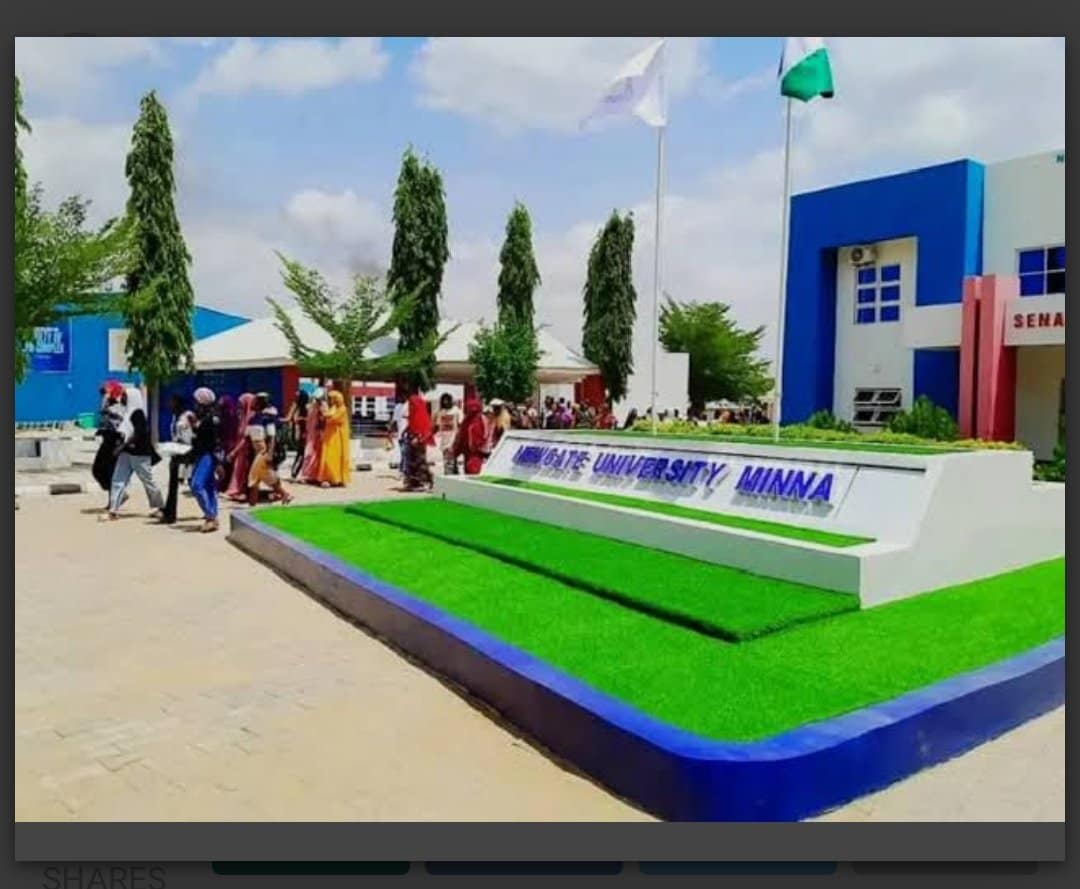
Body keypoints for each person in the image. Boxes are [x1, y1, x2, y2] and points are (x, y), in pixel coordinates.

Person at [102, 387, 164, 522]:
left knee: (148, 481)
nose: (122, 398)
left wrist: (122, 446)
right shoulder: (127, 413)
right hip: (126, 453)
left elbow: (139, 433)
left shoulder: (138, 413)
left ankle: (159, 507)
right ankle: (113, 510)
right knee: (118, 480)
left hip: (139, 453)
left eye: (125, 396)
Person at [245, 393, 292, 506]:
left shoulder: (266, 419)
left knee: (253, 477)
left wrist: (270, 454)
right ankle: (285, 494)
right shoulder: (252, 419)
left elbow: (271, 437)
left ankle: (252, 504)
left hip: (263, 452)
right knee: (264, 476)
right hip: (256, 451)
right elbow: (247, 437)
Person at [188, 387, 222, 532]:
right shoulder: (203, 417)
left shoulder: (212, 418)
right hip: (201, 454)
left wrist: (218, 462)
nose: (195, 405)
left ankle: (210, 516)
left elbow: (215, 441)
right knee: (208, 486)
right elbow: (199, 433)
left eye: (197, 402)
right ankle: (212, 516)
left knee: (197, 484)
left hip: (208, 455)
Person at [91, 381, 126, 505]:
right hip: (107, 441)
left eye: (105, 393)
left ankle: (115, 500)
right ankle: (117, 495)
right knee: (97, 469)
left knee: (110, 471)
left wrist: (107, 402)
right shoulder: (107, 407)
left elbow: (117, 426)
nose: (103, 396)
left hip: (114, 443)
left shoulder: (118, 408)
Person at [317, 390, 351, 488]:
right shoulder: (333, 408)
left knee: (337, 457)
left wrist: (324, 413)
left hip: (337, 438)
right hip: (330, 437)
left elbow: (334, 419)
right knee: (328, 457)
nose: (330, 401)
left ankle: (338, 478)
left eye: (332, 399)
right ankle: (327, 478)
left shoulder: (342, 409)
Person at [402, 389, 435, 491]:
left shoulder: (421, 415)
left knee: (419, 462)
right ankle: (414, 483)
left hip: (419, 441)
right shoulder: (414, 414)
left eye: (411, 404)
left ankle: (425, 481)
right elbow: (411, 424)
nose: (410, 406)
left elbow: (424, 429)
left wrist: (418, 438)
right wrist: (406, 431)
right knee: (411, 461)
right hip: (412, 438)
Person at [225, 393, 255, 501]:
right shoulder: (243, 417)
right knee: (239, 471)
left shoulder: (251, 418)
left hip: (247, 451)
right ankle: (237, 490)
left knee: (245, 472)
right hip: (240, 452)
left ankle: (243, 493)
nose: (239, 406)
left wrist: (234, 452)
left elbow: (246, 439)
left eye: (241, 404)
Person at [452, 398, 488, 476]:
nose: (472, 411)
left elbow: (486, 434)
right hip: (467, 452)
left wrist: (483, 447)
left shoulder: (482, 419)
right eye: (471, 409)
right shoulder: (466, 420)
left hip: (477, 452)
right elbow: (461, 436)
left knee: (474, 472)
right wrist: (456, 451)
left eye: (474, 409)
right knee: (468, 471)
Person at [299, 389, 326, 483]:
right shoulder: (311, 407)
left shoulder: (324, 406)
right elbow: (309, 420)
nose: (318, 400)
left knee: (320, 455)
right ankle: (307, 475)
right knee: (309, 454)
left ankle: (318, 476)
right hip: (311, 434)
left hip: (320, 434)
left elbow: (324, 420)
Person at [432, 392, 461, 475]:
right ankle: (454, 477)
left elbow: (460, 424)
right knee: (450, 462)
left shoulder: (456, 411)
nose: (445, 402)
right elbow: (436, 426)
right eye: (444, 400)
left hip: (454, 440)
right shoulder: (440, 412)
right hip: (445, 441)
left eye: (447, 400)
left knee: (449, 463)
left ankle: (449, 477)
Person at [284, 390, 310, 480]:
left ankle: (295, 472)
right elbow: (289, 418)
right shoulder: (296, 407)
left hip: (303, 432)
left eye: (298, 397)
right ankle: (295, 472)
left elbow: (309, 420)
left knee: (301, 453)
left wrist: (300, 419)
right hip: (297, 431)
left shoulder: (306, 408)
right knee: (300, 452)